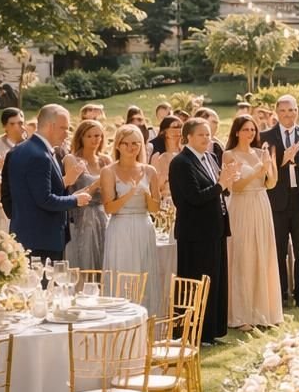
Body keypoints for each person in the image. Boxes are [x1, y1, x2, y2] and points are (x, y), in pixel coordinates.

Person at [169, 118, 233, 344]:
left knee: (215, 282)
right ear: (188, 137)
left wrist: (226, 183)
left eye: (208, 134)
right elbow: (193, 197)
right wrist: (221, 185)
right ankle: (195, 333)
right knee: (196, 284)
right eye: (201, 135)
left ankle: (212, 331)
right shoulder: (181, 163)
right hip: (195, 233)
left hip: (215, 228)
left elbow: (217, 190)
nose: (206, 138)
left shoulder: (211, 157)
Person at [2, 104, 91, 258]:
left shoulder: (18, 150)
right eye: (64, 128)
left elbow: (8, 196)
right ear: (51, 126)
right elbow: (45, 199)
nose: (67, 134)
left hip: (25, 235)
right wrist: (76, 200)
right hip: (43, 239)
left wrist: (21, 219)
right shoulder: (40, 156)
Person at [224, 115, 282, 329]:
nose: (250, 133)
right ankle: (241, 315)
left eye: (253, 130)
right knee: (243, 255)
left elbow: (271, 184)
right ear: (237, 132)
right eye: (246, 129)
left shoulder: (259, 153)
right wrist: (258, 171)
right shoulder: (229, 155)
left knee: (263, 254)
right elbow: (235, 186)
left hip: (261, 203)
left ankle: (264, 311)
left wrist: (270, 167)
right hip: (241, 205)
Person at [262, 94, 299, 310]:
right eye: (284, 111)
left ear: (297, 111)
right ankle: (281, 295)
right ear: (277, 112)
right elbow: (263, 165)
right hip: (277, 200)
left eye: (292, 110)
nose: (288, 114)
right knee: (279, 250)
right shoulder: (265, 136)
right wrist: (282, 159)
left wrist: (297, 159)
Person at [101, 125, 160, 315]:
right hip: (120, 226)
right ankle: (120, 319)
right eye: (126, 143)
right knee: (122, 273)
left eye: (135, 143)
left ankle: (146, 321)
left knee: (144, 273)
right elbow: (109, 208)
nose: (131, 147)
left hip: (144, 225)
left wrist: (147, 196)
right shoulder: (109, 171)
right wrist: (129, 194)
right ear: (118, 145)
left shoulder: (150, 171)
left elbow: (155, 209)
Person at [65, 120, 110, 270]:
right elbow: (70, 193)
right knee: (84, 261)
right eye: (89, 136)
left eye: (97, 135)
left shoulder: (105, 160)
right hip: (82, 216)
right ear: (81, 137)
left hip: (103, 214)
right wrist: (96, 185)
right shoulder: (72, 159)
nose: (94, 139)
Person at [151, 114, 184, 201]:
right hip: (166, 200)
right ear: (164, 132)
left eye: (180, 127)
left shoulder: (187, 153)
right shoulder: (157, 157)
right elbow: (155, 186)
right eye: (175, 127)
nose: (178, 130)